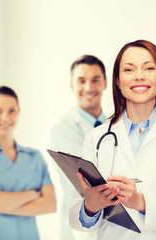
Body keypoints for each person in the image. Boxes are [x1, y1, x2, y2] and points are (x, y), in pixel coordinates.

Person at [69, 40, 156, 240]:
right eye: (129, 69)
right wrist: (90, 207)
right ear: (117, 81)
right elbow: (79, 219)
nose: (139, 76)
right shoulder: (97, 138)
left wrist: (140, 202)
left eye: (149, 68)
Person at [0, 86, 56, 240]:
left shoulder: (35, 157)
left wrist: (0, 203)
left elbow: (50, 204)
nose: (5, 118)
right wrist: (31, 195)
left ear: (19, 112)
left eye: (12, 110)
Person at [49, 55, 107, 240]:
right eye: (81, 81)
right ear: (72, 85)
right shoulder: (62, 129)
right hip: (80, 230)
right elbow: (88, 179)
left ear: (105, 83)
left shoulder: (115, 126)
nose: (89, 88)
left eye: (95, 80)